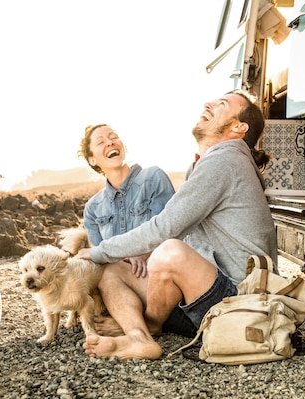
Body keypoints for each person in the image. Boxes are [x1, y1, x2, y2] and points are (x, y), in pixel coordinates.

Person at [75, 91, 277, 360]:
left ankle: (150, 325)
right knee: (111, 271)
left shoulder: (226, 160)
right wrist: (117, 258)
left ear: (237, 128)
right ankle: (139, 338)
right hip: (204, 296)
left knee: (169, 251)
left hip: (238, 303)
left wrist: (98, 251)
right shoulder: (209, 162)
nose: (209, 103)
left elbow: (166, 228)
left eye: (222, 105)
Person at [75, 124, 176, 278]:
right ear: (92, 160)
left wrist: (141, 253)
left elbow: (168, 232)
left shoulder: (153, 178)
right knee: (108, 276)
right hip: (118, 278)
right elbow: (98, 256)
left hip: (158, 273)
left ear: (123, 147)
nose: (110, 142)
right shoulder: (93, 208)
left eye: (113, 137)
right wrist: (126, 257)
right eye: (100, 142)